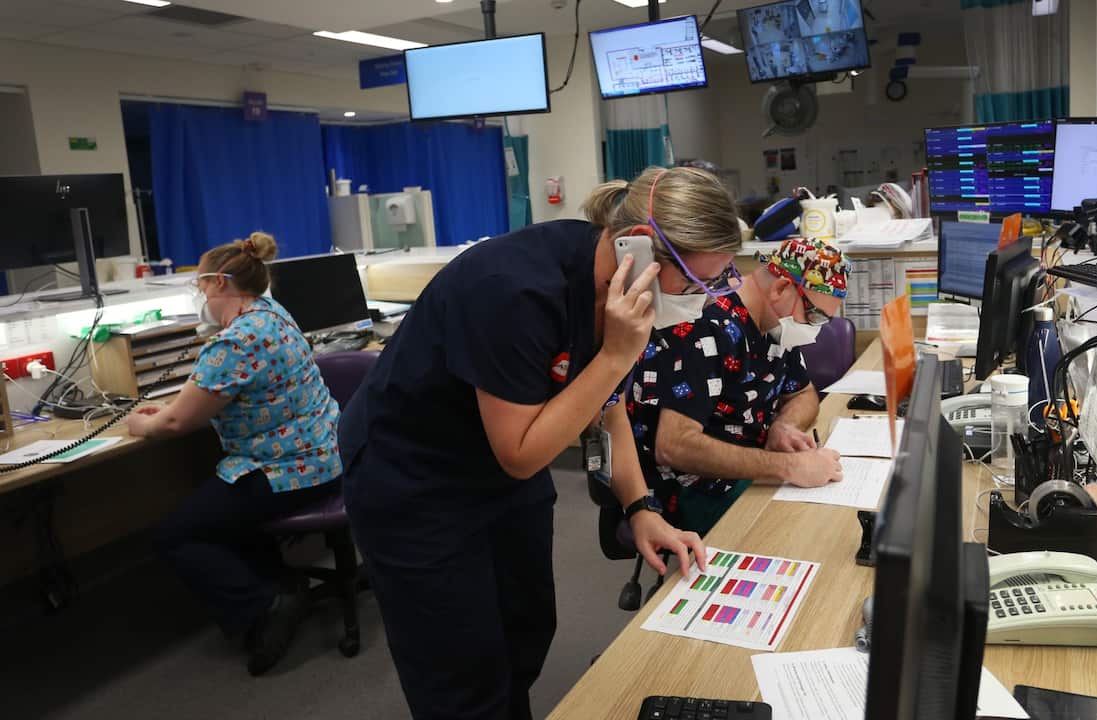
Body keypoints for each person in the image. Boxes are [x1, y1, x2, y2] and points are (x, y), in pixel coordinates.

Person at [338, 167, 743, 720]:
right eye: (697, 285)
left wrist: (641, 506)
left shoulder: (615, 288)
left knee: (525, 631)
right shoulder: (514, 290)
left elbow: (609, 404)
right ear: (642, 249)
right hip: (414, 478)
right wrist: (616, 356)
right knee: (461, 672)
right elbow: (523, 452)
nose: (706, 300)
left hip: (504, 474)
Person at [125, 231, 342, 676]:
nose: (200, 294)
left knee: (176, 534)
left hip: (289, 470)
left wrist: (142, 422)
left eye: (201, 285)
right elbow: (231, 394)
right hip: (326, 453)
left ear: (220, 283)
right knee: (219, 502)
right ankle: (281, 581)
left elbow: (174, 424)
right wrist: (177, 406)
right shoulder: (272, 313)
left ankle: (265, 606)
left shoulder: (234, 343)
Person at [627, 237, 851, 535]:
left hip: (750, 467)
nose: (814, 330)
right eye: (814, 316)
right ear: (782, 287)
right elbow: (674, 447)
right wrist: (788, 467)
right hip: (691, 487)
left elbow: (803, 393)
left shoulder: (775, 324)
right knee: (803, 532)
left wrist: (783, 425)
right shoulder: (704, 323)